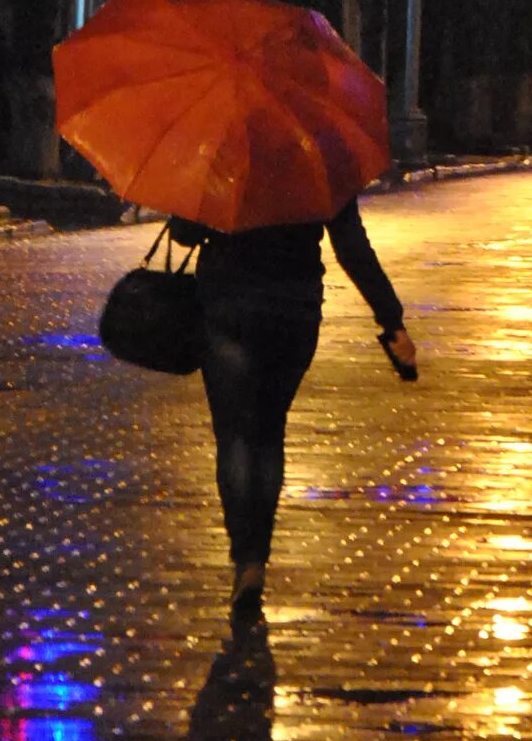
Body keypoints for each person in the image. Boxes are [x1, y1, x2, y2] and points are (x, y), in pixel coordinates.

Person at [169, 195, 417, 619]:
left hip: (227, 307)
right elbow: (351, 244)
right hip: (294, 311)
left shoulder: (223, 153)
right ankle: (258, 559)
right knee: (268, 430)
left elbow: (184, 232)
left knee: (235, 435)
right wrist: (390, 318)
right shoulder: (317, 159)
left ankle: (244, 557)